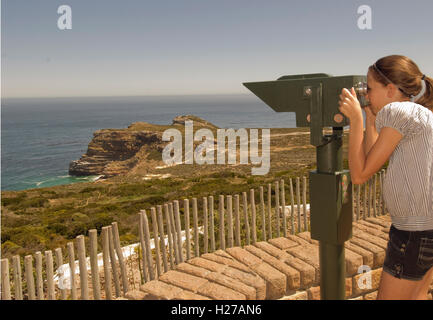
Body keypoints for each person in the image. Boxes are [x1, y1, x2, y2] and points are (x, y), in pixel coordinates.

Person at [338, 55, 433, 300]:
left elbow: (359, 175)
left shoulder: (397, 111)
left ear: (390, 89)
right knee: (417, 296)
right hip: (426, 229)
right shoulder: (417, 113)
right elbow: (371, 160)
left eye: (369, 89)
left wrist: (356, 119)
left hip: (413, 234)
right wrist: (369, 121)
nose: (366, 96)